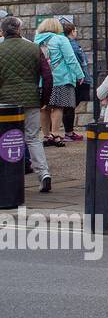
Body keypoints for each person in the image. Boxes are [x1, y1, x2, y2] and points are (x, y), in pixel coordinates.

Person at [0, 15, 54, 192]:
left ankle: (8, 178)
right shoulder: (34, 48)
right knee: (32, 138)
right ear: (19, 30)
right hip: (31, 100)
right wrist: (44, 100)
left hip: (5, 103)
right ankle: (43, 174)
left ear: (2, 31)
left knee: (6, 139)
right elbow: (47, 76)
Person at [33, 17, 83, 146]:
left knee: (44, 108)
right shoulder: (61, 39)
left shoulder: (36, 40)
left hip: (41, 80)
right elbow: (70, 58)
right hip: (60, 78)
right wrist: (79, 74)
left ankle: (46, 136)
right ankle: (55, 134)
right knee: (57, 106)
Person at [58, 19, 90, 141]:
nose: (76, 32)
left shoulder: (69, 43)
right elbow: (75, 61)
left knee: (70, 106)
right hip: (77, 79)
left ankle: (68, 132)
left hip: (76, 78)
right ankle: (69, 133)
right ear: (72, 31)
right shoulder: (71, 44)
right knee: (69, 106)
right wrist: (80, 76)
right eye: (75, 30)